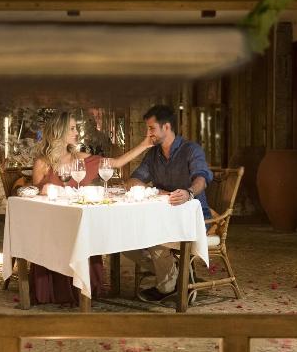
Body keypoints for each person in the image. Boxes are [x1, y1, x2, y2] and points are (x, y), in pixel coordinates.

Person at [29, 111, 153, 305]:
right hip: (53, 226)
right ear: (59, 131)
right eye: (72, 128)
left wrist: (145, 144)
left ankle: (84, 287)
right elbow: (36, 195)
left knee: (87, 230)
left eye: (76, 128)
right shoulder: (43, 163)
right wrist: (44, 189)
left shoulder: (80, 158)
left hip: (77, 222)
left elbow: (116, 163)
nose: (76, 132)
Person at [124, 104, 214, 303]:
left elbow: (202, 178)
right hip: (161, 218)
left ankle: (166, 286)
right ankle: (178, 275)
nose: (148, 134)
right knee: (124, 240)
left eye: (151, 128)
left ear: (166, 127)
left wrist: (189, 193)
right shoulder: (153, 154)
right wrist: (158, 192)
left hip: (193, 220)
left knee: (154, 239)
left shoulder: (191, 150)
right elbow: (133, 181)